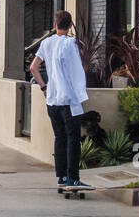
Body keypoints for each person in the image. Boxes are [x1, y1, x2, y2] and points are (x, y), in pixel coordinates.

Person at [30, 10, 93, 192]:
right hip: (68, 100)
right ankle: (73, 179)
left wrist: (44, 87)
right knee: (73, 139)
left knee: (59, 138)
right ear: (70, 25)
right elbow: (76, 72)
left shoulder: (47, 43)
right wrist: (80, 95)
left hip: (52, 100)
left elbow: (33, 67)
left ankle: (62, 177)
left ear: (55, 24)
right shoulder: (69, 44)